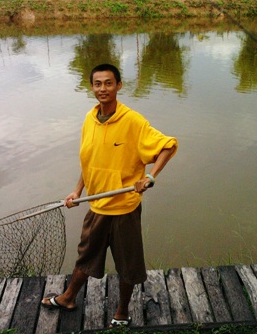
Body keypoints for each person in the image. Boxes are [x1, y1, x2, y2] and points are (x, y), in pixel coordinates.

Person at [41, 63, 178, 328]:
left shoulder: (133, 121)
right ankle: (69, 298)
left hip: (124, 208)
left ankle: (122, 311)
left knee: (128, 264)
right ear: (92, 87)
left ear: (118, 85)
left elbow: (167, 146)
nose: (103, 89)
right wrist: (77, 190)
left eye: (108, 83)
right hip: (96, 206)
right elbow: (88, 162)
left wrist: (149, 177)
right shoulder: (89, 119)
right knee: (86, 255)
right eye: (98, 84)